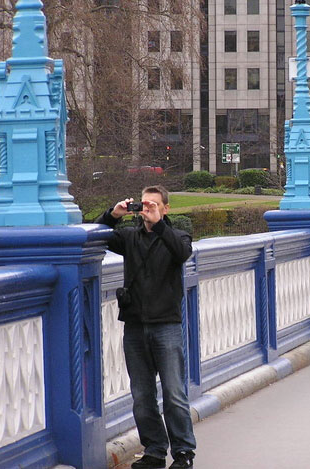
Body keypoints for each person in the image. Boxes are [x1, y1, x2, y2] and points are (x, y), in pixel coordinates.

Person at [97, 185, 196, 469]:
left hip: (166, 325)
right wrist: (114, 214)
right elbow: (95, 235)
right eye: (144, 204)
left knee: (174, 393)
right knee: (142, 396)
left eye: (154, 205)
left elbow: (182, 253)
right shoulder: (129, 237)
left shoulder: (178, 236)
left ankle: (183, 453)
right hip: (135, 325)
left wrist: (159, 225)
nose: (148, 209)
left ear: (166, 209)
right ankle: (154, 451)